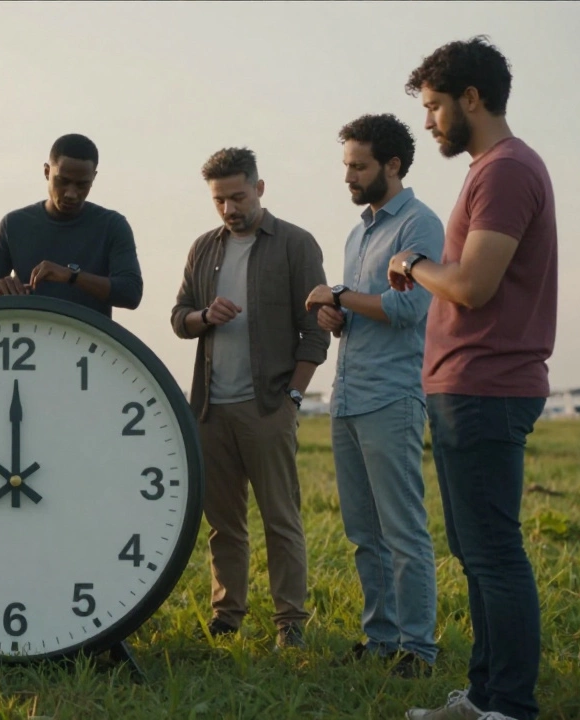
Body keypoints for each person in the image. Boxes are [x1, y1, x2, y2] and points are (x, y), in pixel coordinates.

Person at [394, 37, 557, 720]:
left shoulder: (507, 169)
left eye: (433, 107)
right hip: (464, 385)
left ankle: (510, 705)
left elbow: (472, 284)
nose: (428, 122)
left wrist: (413, 263)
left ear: (470, 98)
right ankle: (485, 697)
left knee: (494, 553)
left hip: (487, 385)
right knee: (474, 549)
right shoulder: (494, 168)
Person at [169, 147, 329, 649]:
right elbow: (179, 318)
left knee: (281, 519)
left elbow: (316, 333)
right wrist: (203, 318)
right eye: (219, 199)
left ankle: (291, 623)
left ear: (260, 188)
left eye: (238, 196)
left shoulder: (296, 245)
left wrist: (294, 398)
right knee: (223, 524)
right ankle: (227, 616)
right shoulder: (203, 249)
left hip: (268, 406)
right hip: (210, 409)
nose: (229, 208)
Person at [306, 114, 444, 677]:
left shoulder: (420, 225)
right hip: (348, 395)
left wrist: (340, 293)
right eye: (346, 166)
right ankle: (380, 639)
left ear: (392, 165)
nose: (349, 176)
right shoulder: (357, 232)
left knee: (403, 531)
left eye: (358, 166)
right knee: (364, 533)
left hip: (392, 397)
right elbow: (363, 310)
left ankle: (419, 649)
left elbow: (410, 308)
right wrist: (334, 314)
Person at [0, 133, 143, 317]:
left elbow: (131, 292)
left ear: (93, 178)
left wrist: (71, 276)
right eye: (63, 181)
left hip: (85, 341)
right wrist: (0, 289)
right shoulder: (13, 225)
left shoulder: (112, 226)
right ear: (47, 172)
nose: (71, 193)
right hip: (28, 339)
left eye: (81, 185)